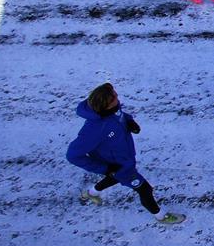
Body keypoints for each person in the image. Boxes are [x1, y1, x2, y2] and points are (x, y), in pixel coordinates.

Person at [67, 82, 185, 224]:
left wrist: (129, 122)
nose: (118, 97)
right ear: (106, 105)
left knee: (115, 178)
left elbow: (120, 116)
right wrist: (105, 168)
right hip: (118, 165)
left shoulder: (112, 109)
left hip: (123, 161)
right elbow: (72, 155)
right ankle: (161, 216)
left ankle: (91, 193)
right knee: (145, 189)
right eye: (114, 97)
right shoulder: (93, 130)